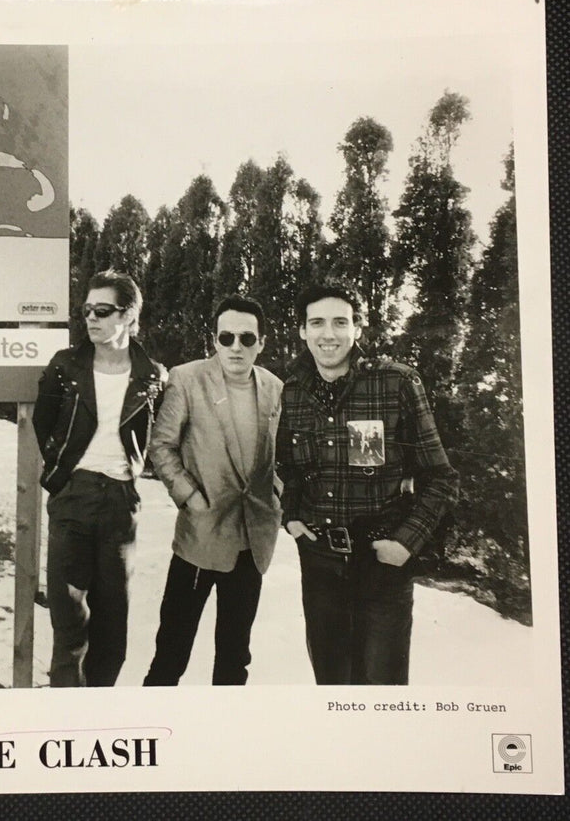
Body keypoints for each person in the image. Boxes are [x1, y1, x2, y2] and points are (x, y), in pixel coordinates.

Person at [276, 279, 458, 685]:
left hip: (381, 566)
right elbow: (287, 469)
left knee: (383, 694)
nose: (328, 334)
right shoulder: (293, 393)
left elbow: (441, 478)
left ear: (357, 328)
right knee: (333, 689)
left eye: (340, 322)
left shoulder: (395, 383)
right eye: (317, 323)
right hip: (320, 564)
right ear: (303, 331)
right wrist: (292, 518)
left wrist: (405, 543)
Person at [33, 270, 165, 687]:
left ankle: (101, 706)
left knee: (112, 629)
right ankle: (64, 708)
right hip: (73, 497)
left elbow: (156, 434)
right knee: (68, 622)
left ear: (128, 316)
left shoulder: (151, 375)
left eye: (103, 311)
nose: (91, 318)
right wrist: (63, 473)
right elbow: (44, 423)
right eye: (87, 310)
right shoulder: (65, 366)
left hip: (120, 504)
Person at [144, 295, 284, 686]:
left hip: (252, 542)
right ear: (214, 340)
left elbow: (279, 454)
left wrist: (276, 494)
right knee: (170, 656)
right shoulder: (187, 379)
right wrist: (189, 497)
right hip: (200, 538)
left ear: (261, 342)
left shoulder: (274, 388)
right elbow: (161, 445)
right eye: (226, 337)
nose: (236, 347)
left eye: (246, 338)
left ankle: (224, 740)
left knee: (235, 660)